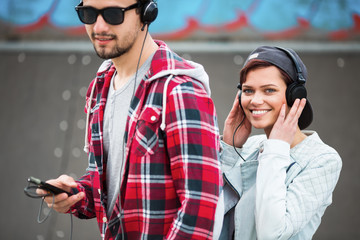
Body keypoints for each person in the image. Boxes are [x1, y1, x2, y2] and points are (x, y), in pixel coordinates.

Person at [41, 0, 222, 239]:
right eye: (89, 14)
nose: (99, 26)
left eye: (113, 14)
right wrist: (78, 194)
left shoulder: (179, 90)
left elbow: (200, 208)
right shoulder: (100, 87)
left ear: (146, 14)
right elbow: (110, 185)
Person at [217, 46, 342, 240]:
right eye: (248, 90)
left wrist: (276, 150)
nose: (256, 100)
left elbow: (271, 234)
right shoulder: (249, 146)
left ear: (295, 96)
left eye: (269, 90)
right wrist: (229, 150)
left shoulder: (323, 160)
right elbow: (210, 220)